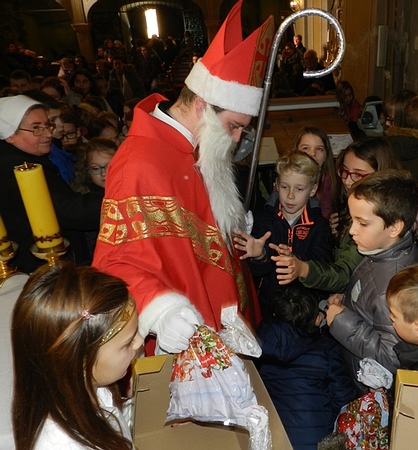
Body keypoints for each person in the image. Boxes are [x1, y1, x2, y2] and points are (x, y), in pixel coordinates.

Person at [92, 1, 274, 354]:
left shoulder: (196, 145)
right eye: (234, 127)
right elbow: (115, 261)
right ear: (203, 106)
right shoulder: (140, 163)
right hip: (183, 328)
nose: (237, 140)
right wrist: (160, 311)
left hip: (221, 317)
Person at [12, 262, 143, 450]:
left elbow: (113, 422)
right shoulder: (62, 445)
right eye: (127, 343)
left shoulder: (94, 389)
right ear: (79, 361)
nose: (139, 342)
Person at [272, 137, 400, 295]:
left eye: (358, 175)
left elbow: (345, 274)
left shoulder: (379, 218)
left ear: (381, 175)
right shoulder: (353, 202)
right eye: (344, 171)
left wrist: (304, 269)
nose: (347, 181)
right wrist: (336, 235)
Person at [326, 168, 418, 380]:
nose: (352, 230)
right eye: (352, 220)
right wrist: (347, 303)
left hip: (364, 383)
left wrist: (342, 321)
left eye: (363, 223)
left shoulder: (392, 289)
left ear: (394, 227)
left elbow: (392, 357)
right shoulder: (381, 251)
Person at [0, 95, 104, 272]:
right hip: (41, 266)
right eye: (36, 129)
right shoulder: (19, 168)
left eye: (48, 125)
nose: (49, 133)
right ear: (10, 135)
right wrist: (118, 198)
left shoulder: (19, 156)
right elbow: (70, 211)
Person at [257, 285, 357, 450]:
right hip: (316, 442)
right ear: (316, 319)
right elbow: (344, 400)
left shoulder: (260, 344)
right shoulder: (327, 350)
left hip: (272, 438)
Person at [234, 151, 332, 316]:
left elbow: (324, 270)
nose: (291, 195)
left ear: (313, 190)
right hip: (268, 307)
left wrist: (297, 261)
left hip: (304, 311)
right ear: (276, 185)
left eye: (299, 189)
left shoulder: (319, 225)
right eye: (285, 187)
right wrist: (260, 256)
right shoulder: (264, 219)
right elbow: (255, 273)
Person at [292, 126, 339, 219]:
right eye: (305, 148)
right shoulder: (286, 176)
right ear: (296, 152)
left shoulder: (328, 181)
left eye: (319, 149)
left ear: (326, 155)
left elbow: (325, 214)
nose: (312, 154)